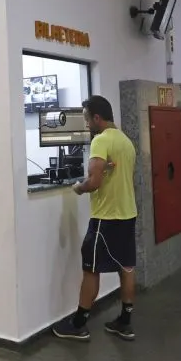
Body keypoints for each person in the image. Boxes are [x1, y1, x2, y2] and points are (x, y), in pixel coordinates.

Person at [52, 95, 138, 342]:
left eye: (88, 119)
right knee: (127, 268)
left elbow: (95, 181)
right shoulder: (126, 142)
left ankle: (79, 324)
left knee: (91, 270)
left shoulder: (101, 141)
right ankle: (125, 321)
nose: (87, 124)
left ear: (97, 118)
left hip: (105, 218)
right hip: (127, 214)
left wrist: (78, 188)